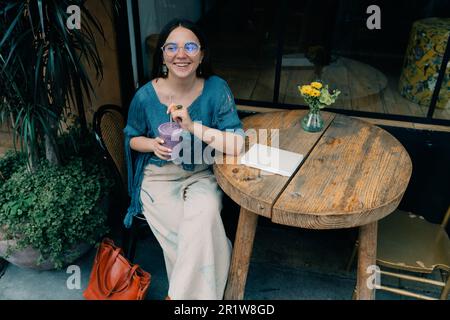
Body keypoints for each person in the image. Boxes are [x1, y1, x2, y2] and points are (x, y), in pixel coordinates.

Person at [123, 18, 245, 300]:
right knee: (202, 241)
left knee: (201, 223)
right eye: (172, 47)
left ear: (201, 54)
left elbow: (237, 143)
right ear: (163, 55)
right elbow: (131, 138)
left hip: (202, 174)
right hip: (158, 178)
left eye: (190, 46)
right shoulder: (145, 96)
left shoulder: (216, 89)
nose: (181, 54)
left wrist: (192, 127)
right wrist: (152, 144)